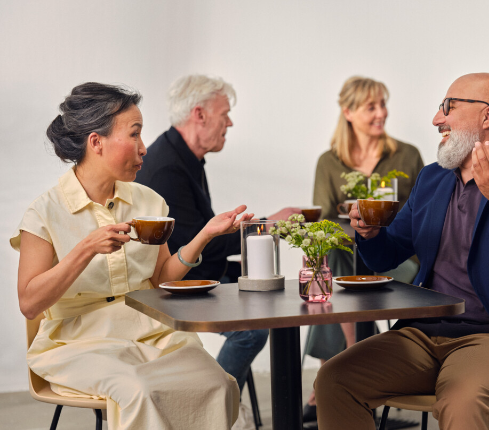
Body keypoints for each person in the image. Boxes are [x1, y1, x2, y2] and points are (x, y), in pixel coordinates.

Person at [314, 73, 489, 430]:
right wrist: (370, 234)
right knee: (333, 379)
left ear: (486, 116)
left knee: (463, 400)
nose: (437, 119)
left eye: (448, 107)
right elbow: (388, 255)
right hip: (420, 334)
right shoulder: (432, 178)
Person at [12, 82, 254, 429]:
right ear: (96, 142)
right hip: (78, 341)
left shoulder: (148, 202)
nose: (144, 149)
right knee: (139, 390)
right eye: (135, 135)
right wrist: (86, 248)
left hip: (150, 329)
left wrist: (205, 235)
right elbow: (30, 304)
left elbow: (160, 280)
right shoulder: (44, 212)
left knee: (216, 382)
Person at [134, 75, 298, 426]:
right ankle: (211, 408)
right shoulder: (167, 167)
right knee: (251, 330)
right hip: (177, 282)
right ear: (200, 114)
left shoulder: (185, 157)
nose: (230, 122)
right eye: (225, 114)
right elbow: (195, 246)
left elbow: (204, 238)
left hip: (202, 271)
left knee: (278, 287)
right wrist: (268, 225)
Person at [305, 76, 424, 421]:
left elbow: (423, 216)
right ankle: (352, 366)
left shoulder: (407, 155)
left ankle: (331, 377)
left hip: (397, 259)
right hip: (348, 258)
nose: (381, 113)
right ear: (348, 112)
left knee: (333, 275)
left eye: (383, 104)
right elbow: (323, 224)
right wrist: (356, 232)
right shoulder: (329, 162)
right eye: (371, 106)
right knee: (338, 256)